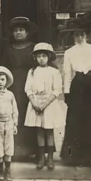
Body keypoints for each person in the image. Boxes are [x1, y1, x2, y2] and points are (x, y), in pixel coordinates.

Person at [61, 19, 91, 169]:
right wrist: (67, 92)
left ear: (86, 35)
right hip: (77, 87)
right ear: (73, 36)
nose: (79, 37)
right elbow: (67, 73)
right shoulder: (69, 52)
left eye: (82, 34)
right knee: (77, 121)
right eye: (76, 35)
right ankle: (79, 157)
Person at [24, 43, 64, 171]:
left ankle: (50, 158)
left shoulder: (54, 71)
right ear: (35, 57)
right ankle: (41, 157)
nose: (41, 58)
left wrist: (45, 103)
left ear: (49, 57)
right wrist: (34, 103)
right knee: (39, 131)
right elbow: (28, 89)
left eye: (44, 56)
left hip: (49, 104)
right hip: (35, 103)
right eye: (39, 56)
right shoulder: (32, 72)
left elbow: (57, 90)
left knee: (49, 131)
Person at [5, 16, 38, 160]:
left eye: (21, 30)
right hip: (13, 85)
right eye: (16, 30)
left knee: (31, 114)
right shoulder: (8, 49)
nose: (18, 33)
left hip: (31, 84)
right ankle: (17, 151)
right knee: (15, 114)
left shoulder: (34, 47)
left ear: (27, 32)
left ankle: (34, 149)